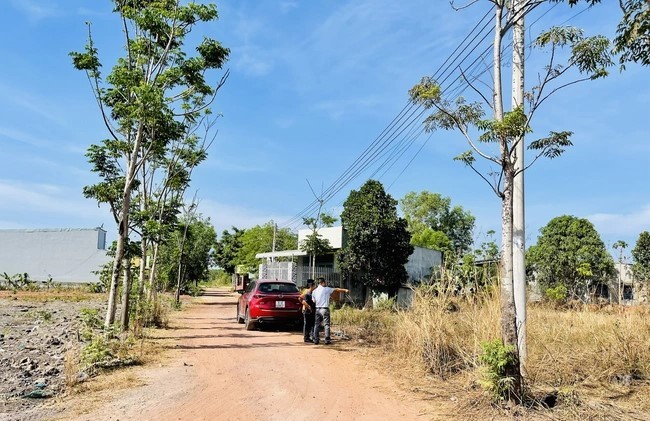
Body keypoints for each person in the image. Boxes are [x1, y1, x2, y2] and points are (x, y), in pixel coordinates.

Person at [311, 277, 349, 345]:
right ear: (323, 282)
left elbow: (314, 301)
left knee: (316, 324)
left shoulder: (314, 291)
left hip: (317, 309)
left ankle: (316, 339)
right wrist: (345, 290)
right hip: (324, 309)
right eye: (325, 283)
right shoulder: (326, 289)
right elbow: (336, 289)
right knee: (326, 324)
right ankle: (327, 340)